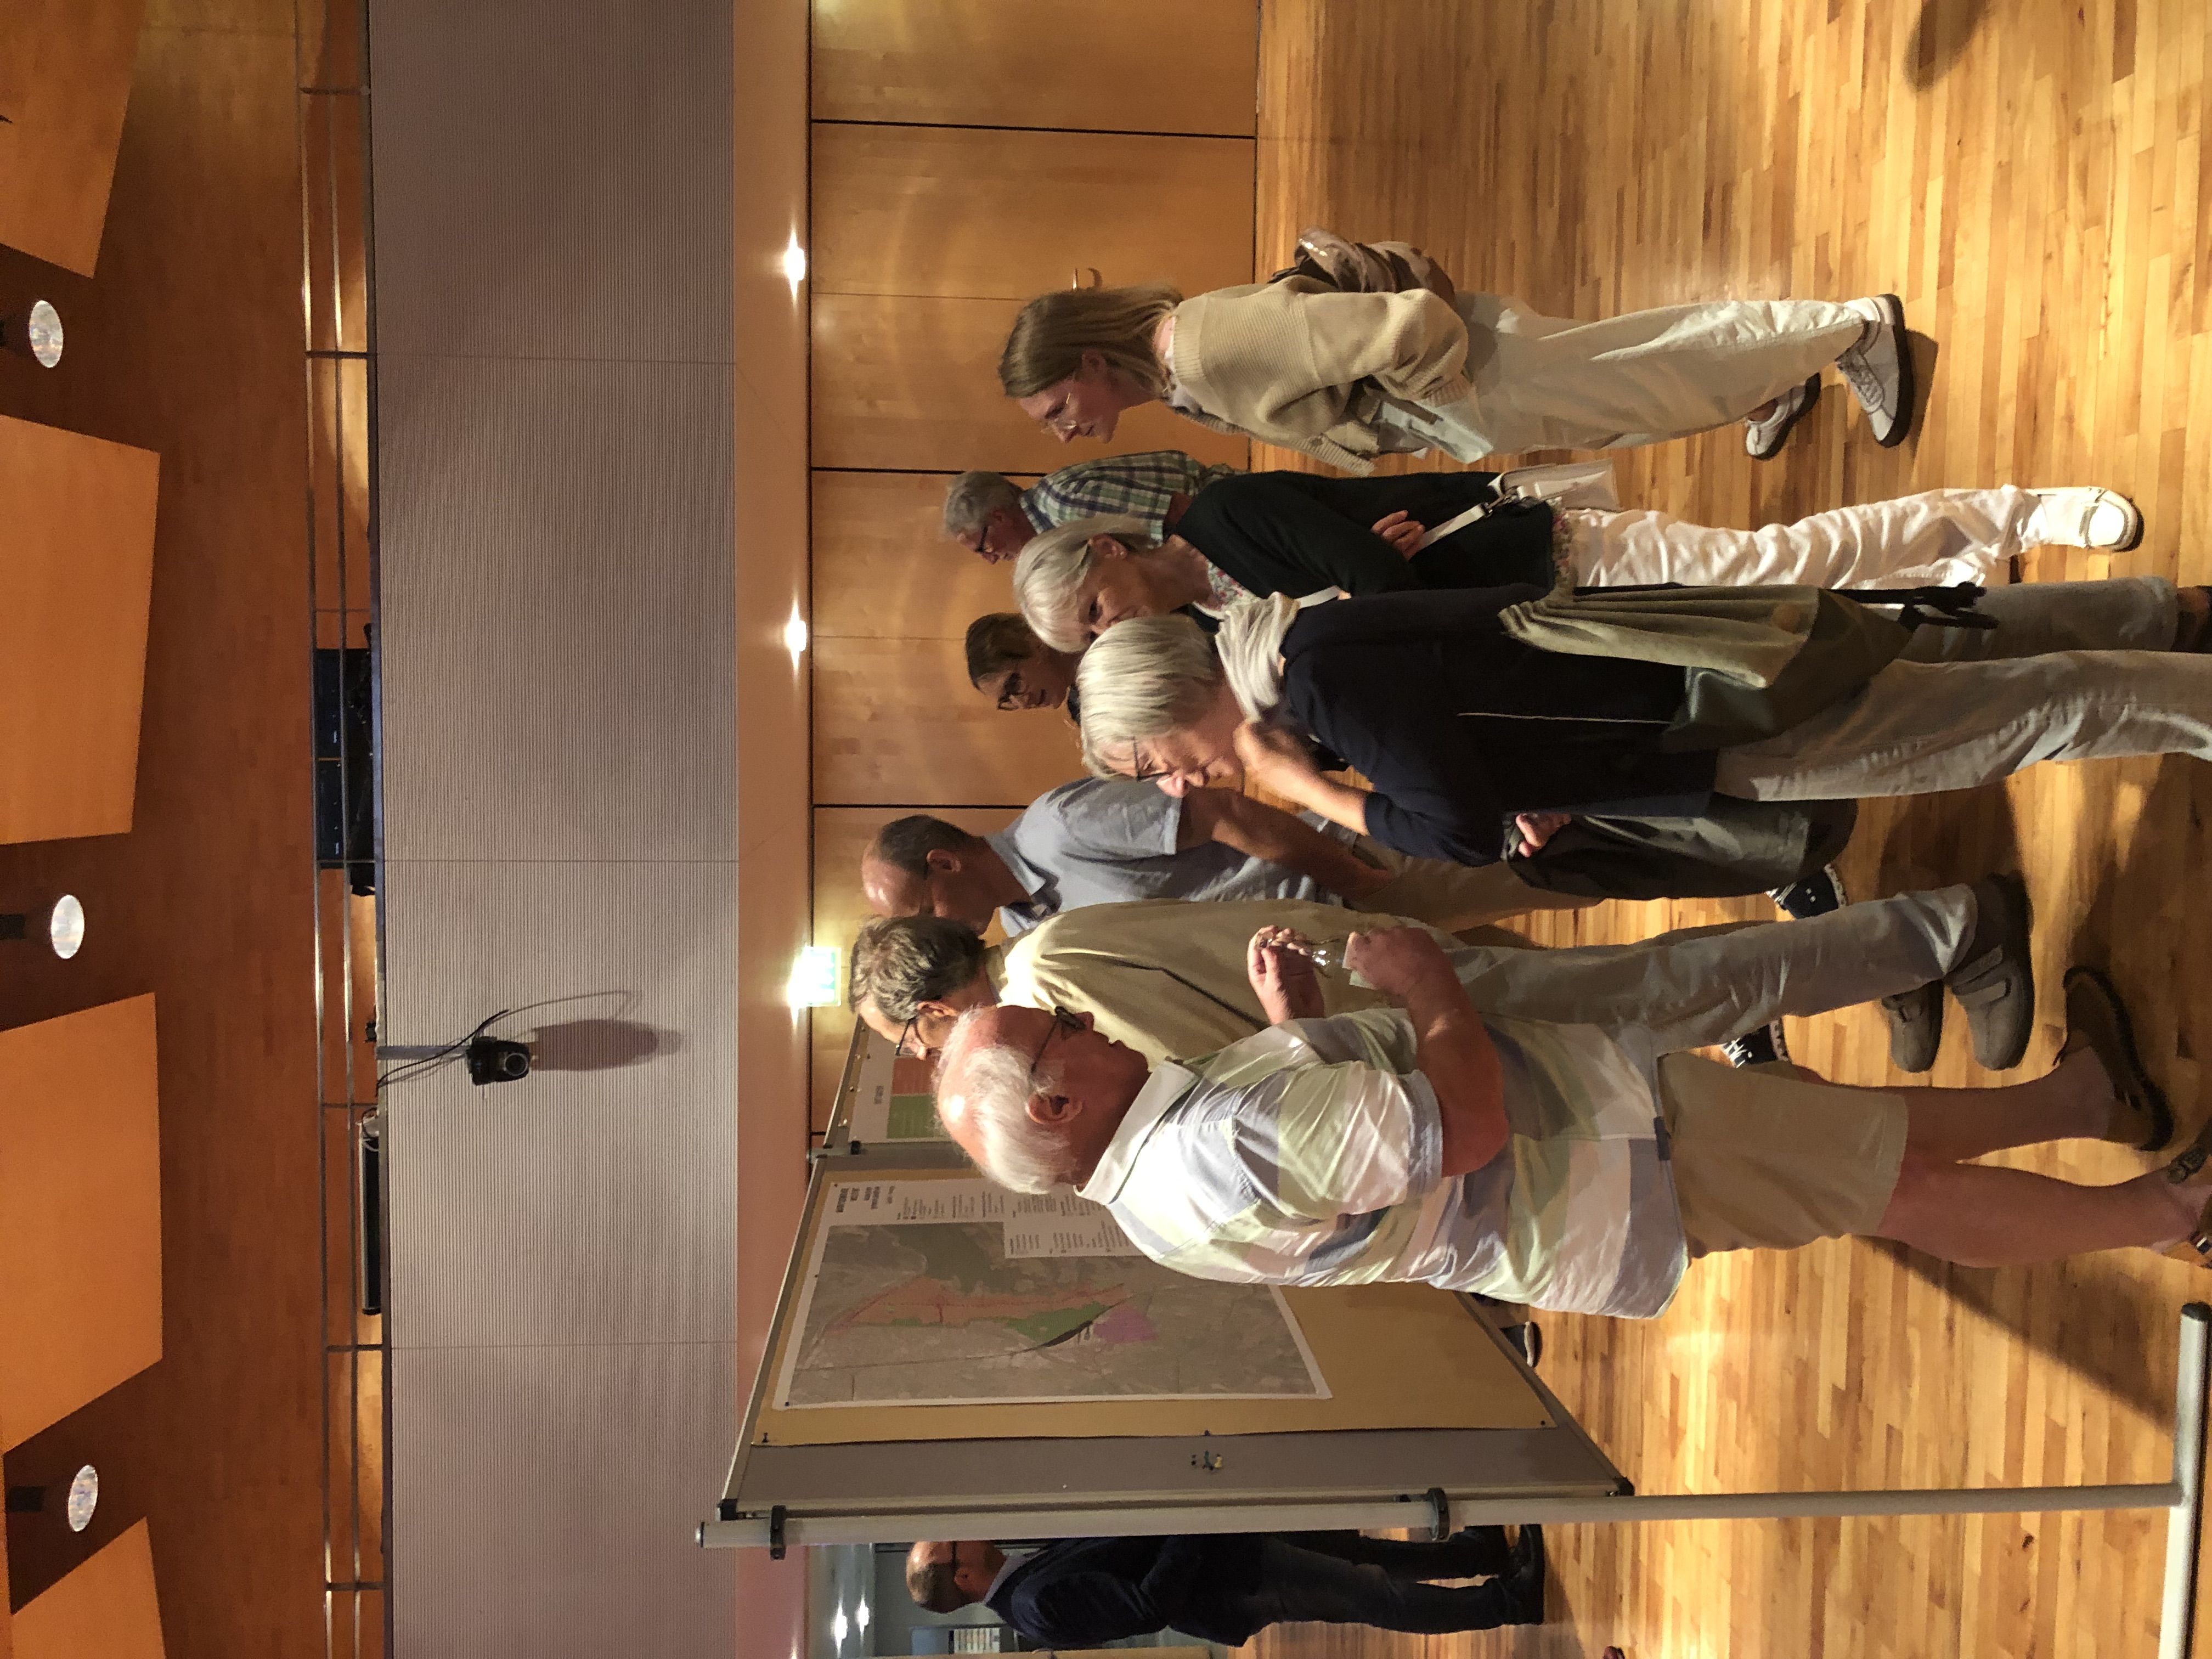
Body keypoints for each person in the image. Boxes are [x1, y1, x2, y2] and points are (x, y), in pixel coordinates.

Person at [930, 926, 2193, 1317]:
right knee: (1882, 1185)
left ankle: (2082, 1100)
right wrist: (1425, 984)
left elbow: (1333, 1165)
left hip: (1600, 1171)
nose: (1082, 1019)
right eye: (1061, 1029)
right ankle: (2167, 1213)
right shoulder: (1212, 1147)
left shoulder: (1156, 1192)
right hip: (1600, 1163)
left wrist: (1295, 1024)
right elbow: (1462, 1130)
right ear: (1055, 1102)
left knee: (1851, 1143)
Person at [1070, 576, 2212, 892]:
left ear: (1171, 702)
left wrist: (1313, 794)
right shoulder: (1302, 637)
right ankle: (2170, 614)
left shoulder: (1320, 689)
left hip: (1707, 715)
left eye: (1153, 760)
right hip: (1694, 664)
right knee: (1952, 650)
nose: (1176, 781)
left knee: (2020, 713)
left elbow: (1457, 833)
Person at [847, 876, 2033, 1077]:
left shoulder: (1049, 976)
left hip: (1397, 1005)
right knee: (1663, 992)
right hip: (1391, 996)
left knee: (1675, 994)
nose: (927, 1057)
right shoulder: (1049, 954)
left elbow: (1213, 1058)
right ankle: (1894, 951)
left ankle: (1953, 930)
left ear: (933, 1006)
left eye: (912, 1039)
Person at [1010, 481, 2145, 652]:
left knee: (1775, 560)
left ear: (1107, 550)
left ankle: (2020, 507)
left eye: (1096, 612)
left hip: (1542, 550)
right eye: (1093, 640)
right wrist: (1361, 587)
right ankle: (1966, 568)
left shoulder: (1224, 515)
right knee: (1785, 611)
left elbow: (1382, 591)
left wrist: (1362, 589)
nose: (1114, 634)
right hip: (1538, 621)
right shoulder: (1221, 628)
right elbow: (1371, 593)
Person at [997, 279, 1913, 471]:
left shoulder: (1203, 349)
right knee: (1646, 395)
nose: (1065, 429)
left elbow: (1410, 326)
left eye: (1057, 407)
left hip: (1472, 374)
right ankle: (1774, 379)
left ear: (1089, 360)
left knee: (1653, 369)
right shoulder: (1182, 383)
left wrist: (1451, 403)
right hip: (1466, 396)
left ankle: (1854, 330)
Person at [859, 782, 1596, 941]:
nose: (933, 930)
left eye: (922, 913)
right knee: (1551, 987)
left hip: (1354, 880)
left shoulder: (1060, 827)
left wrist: (1354, 878)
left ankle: (1660, 823)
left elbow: (1227, 814)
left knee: (1571, 866)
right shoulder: (1026, 935)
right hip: (1342, 946)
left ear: (944, 864)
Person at [905, 1526, 1544, 1645]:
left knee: (1357, 1553)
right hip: (1232, 1581)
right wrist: (1187, 1525)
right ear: (962, 1575)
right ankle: (1511, 1602)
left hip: (1226, 1554)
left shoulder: (1024, 1575)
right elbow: (1148, 1606)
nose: (965, 1532)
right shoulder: (1034, 1603)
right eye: (953, 1542)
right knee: (1368, 1593)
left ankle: (1476, 1554)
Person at [943, 452, 1245, 562]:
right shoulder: (1051, 532)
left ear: (999, 517)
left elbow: (1186, 513)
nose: (991, 560)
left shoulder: (1063, 505)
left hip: (1237, 514)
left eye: (984, 548)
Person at [965, 613, 1081, 716]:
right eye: (1007, 700)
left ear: (1033, 641)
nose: (1022, 704)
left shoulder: (1089, 622)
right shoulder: (1078, 708)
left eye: (1013, 685)